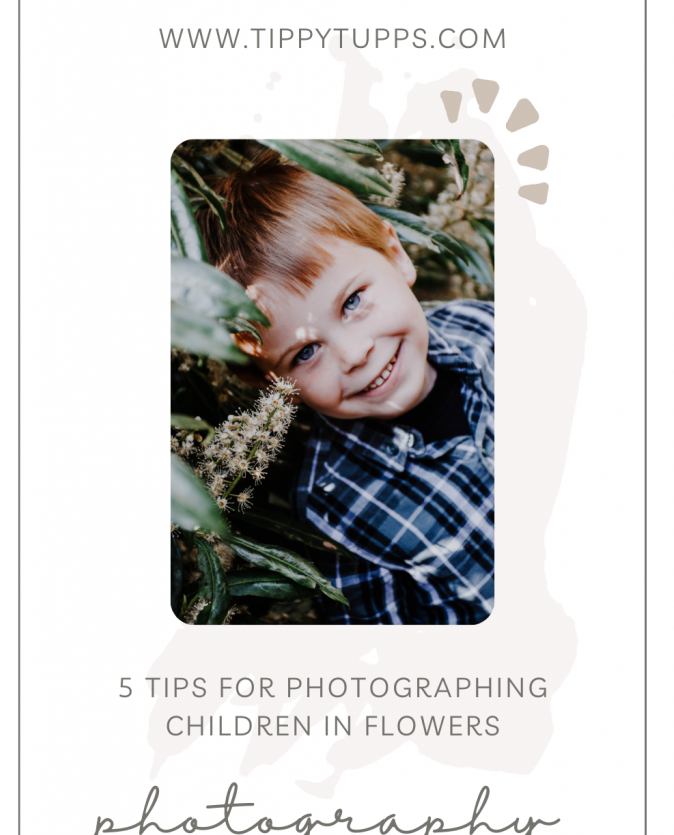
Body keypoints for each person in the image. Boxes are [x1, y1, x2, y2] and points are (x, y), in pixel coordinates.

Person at [198, 152, 494, 625]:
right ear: (274, 387)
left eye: (353, 301)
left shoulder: (490, 330)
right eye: (305, 353)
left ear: (395, 256)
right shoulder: (335, 515)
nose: (355, 354)